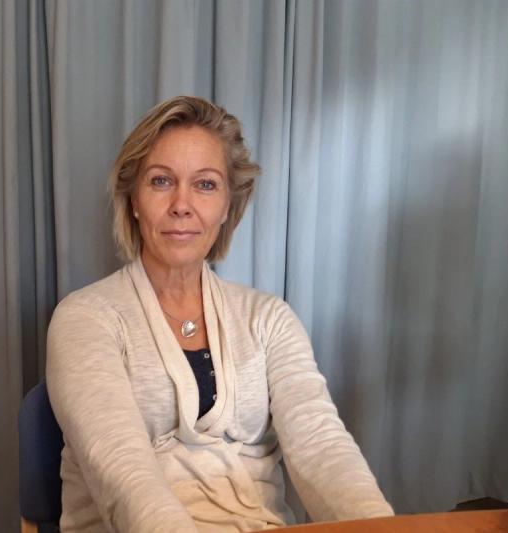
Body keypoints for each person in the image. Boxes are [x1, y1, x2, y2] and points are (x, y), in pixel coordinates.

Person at [46, 96, 393, 533]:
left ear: (229, 204)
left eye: (205, 185)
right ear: (133, 199)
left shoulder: (269, 318)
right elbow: (122, 472)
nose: (182, 204)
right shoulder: (85, 318)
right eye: (161, 181)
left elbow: (320, 446)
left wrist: (380, 529)